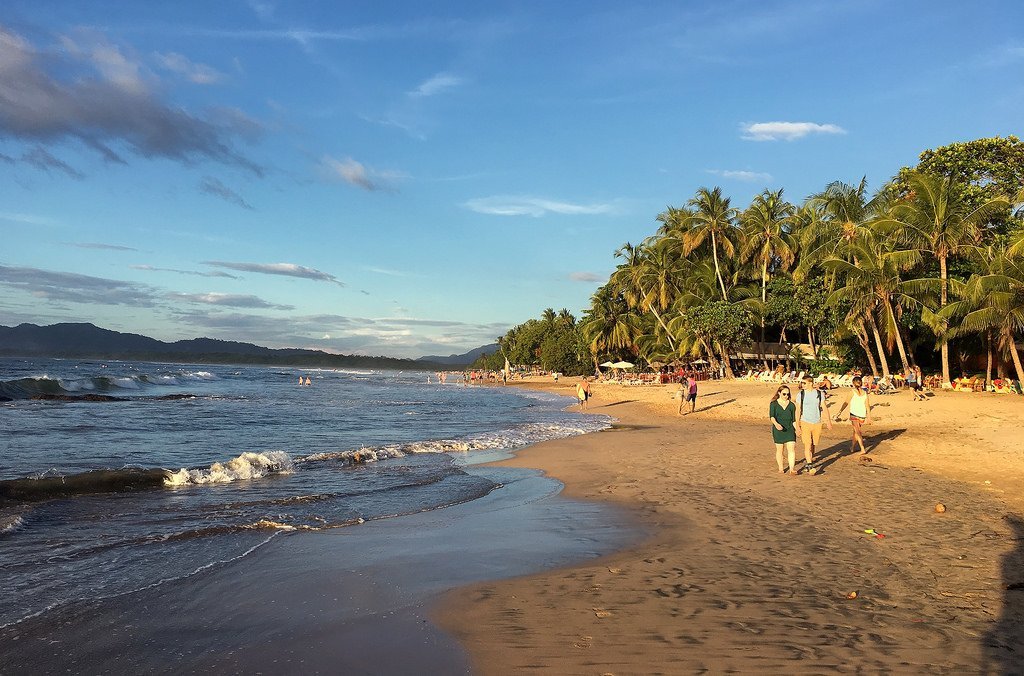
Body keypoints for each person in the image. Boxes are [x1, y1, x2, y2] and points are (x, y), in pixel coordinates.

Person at [795, 375, 832, 473]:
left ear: (810, 383)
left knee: (813, 445)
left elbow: (824, 407)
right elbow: (798, 410)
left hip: (817, 422)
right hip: (805, 421)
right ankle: (810, 465)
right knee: (807, 444)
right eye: (802, 383)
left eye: (804, 383)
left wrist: (828, 421)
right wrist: (797, 425)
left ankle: (809, 461)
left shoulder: (819, 394)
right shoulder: (801, 395)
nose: (802, 385)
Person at [835, 375, 872, 455]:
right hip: (862, 414)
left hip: (854, 414)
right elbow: (867, 406)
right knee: (855, 431)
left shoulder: (852, 392)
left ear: (853, 383)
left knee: (858, 432)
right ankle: (852, 447)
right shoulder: (864, 393)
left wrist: (840, 411)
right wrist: (868, 417)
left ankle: (862, 448)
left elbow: (846, 403)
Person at [769, 385, 799, 475]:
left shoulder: (791, 405)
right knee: (780, 449)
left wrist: (797, 429)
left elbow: (794, 420)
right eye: (784, 394)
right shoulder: (773, 404)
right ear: (779, 393)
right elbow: (772, 416)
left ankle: (792, 469)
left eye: (787, 394)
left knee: (791, 448)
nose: (786, 396)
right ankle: (781, 468)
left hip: (789, 429)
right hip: (778, 429)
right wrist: (776, 424)